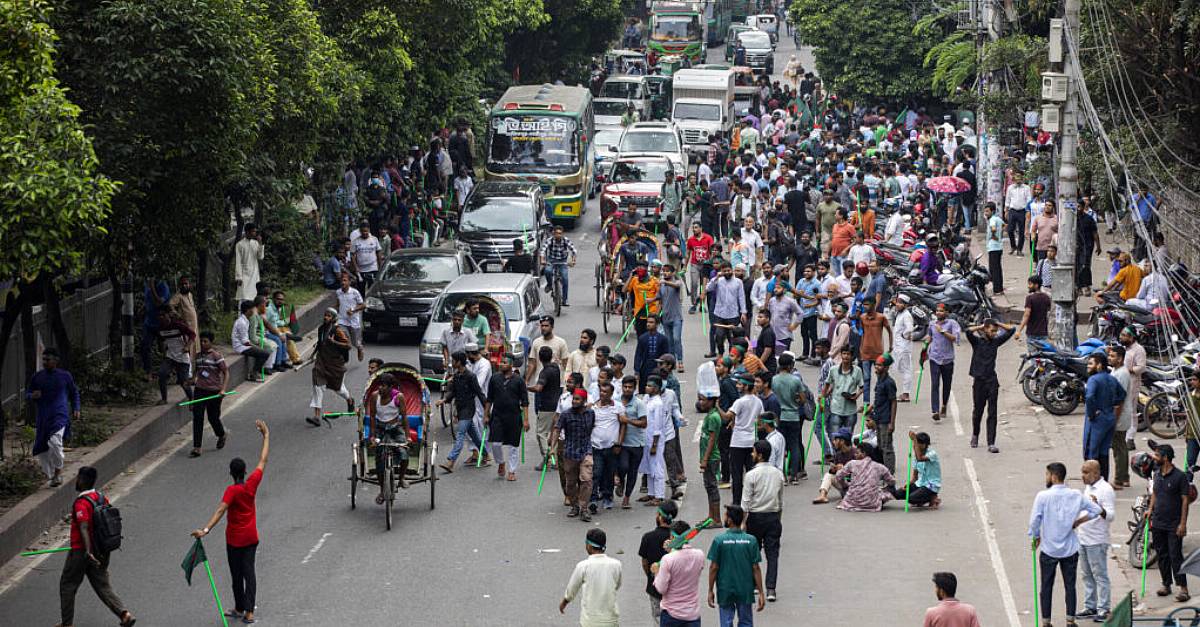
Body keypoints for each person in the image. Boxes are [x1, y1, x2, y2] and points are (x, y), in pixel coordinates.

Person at [192, 420, 270, 625]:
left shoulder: (231, 491)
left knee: (236, 575)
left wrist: (205, 529)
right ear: (244, 472)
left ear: (231, 473)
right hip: (251, 538)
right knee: (249, 574)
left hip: (234, 541)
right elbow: (262, 460)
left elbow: (220, 510)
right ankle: (248, 612)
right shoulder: (251, 484)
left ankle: (239, 607)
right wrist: (266, 435)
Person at [1028, 461, 1103, 625]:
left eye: (1047, 474)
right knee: (1070, 586)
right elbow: (1096, 510)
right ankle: (1070, 620)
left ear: (1054, 477)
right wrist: (1078, 521)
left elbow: (1034, 520)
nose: (1046, 477)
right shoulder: (1075, 495)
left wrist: (1035, 536)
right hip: (1070, 549)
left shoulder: (1043, 496)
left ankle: (1046, 621)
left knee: (1046, 587)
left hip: (1049, 549)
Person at [60, 466, 136, 627]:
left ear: (81, 480)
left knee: (68, 585)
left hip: (82, 551)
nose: (76, 480)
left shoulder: (81, 503)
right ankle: (124, 614)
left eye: (77, 477)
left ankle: (67, 624)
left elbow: (84, 527)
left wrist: (88, 552)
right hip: (102, 549)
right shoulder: (101, 498)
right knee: (102, 584)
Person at [26, 348, 80, 487]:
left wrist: (76, 408)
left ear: (55, 361)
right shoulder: (37, 377)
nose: (44, 362)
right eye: (43, 359)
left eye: (47, 359)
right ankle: (52, 476)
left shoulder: (65, 376)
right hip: (43, 417)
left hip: (59, 414)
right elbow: (28, 393)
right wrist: (32, 396)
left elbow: (74, 393)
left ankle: (58, 471)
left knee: (55, 442)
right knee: (42, 451)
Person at [707, 505, 766, 625]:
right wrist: (761, 592)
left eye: (725, 516)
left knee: (726, 622)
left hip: (725, 589)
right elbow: (756, 568)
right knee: (746, 622)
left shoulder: (719, 540)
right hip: (745, 589)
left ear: (730, 520)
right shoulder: (751, 540)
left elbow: (714, 567)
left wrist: (710, 590)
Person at [742, 440, 784, 602]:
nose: (752, 454)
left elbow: (745, 502)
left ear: (759, 455)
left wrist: (742, 523)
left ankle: (753, 585)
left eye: (753, 452)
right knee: (772, 554)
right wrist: (778, 518)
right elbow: (780, 501)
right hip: (773, 517)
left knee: (754, 553)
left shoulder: (751, 475)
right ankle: (771, 589)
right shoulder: (778, 473)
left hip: (755, 517)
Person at [1148, 443, 1191, 601]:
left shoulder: (1180, 477)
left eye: (1157, 455)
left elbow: (1185, 501)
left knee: (1175, 556)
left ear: (1166, 458)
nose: (1154, 458)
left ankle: (1183, 588)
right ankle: (1166, 584)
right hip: (1158, 522)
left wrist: (1183, 524)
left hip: (1174, 524)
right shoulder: (1157, 474)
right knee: (1162, 555)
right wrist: (1150, 510)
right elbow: (1155, 493)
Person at [965, 318, 1015, 453]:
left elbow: (1012, 330)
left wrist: (998, 323)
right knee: (978, 411)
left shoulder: (996, 342)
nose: (994, 333)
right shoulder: (977, 342)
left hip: (992, 381)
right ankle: (975, 434)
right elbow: (968, 332)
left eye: (995, 331)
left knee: (992, 412)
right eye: (992, 330)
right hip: (979, 381)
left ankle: (991, 443)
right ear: (985, 329)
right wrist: (981, 325)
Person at [1078, 460, 1116, 621]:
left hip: (1097, 540)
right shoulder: (1088, 488)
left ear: (1096, 473)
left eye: (1086, 472)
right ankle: (1090, 606)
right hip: (1083, 538)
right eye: (1082, 472)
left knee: (1100, 575)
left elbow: (1111, 515)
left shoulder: (1105, 490)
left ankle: (1104, 608)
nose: (1083, 476)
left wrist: (1098, 508)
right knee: (1086, 574)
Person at [560, 528, 622, 627]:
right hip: (611, 619)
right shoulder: (616, 564)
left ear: (589, 546)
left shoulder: (583, 566)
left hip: (590, 621)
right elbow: (617, 585)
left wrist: (565, 601)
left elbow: (572, 588)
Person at [437, 352, 486, 473]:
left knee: (460, 434)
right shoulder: (457, 376)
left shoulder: (471, 376)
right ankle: (485, 454)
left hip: (468, 410)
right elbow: (452, 392)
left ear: (459, 362)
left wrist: (488, 411)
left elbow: (479, 393)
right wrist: (444, 400)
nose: (452, 363)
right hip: (460, 409)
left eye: (453, 361)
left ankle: (451, 461)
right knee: (474, 436)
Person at [552, 388, 596, 521]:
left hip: (586, 451)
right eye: (574, 399)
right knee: (570, 483)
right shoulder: (566, 414)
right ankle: (574, 505)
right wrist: (552, 447)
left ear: (584, 401)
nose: (574, 401)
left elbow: (592, 427)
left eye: (578, 399)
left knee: (586, 480)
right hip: (570, 452)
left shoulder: (590, 413)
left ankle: (584, 508)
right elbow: (557, 429)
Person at [719, 375, 763, 507]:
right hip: (751, 442)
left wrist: (716, 407)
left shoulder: (740, 402)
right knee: (751, 473)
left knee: (737, 475)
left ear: (746, 386)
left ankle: (737, 502)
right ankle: (751, 501)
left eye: (739, 384)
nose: (737, 386)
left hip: (737, 442)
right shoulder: (758, 402)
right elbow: (760, 421)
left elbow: (727, 417)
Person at [654, 519, 706, 627]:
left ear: (672, 537)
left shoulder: (667, 559)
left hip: (671, 615)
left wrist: (656, 572)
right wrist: (672, 550)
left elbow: (661, 588)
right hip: (692, 615)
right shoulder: (700, 555)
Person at [308, 308, 355, 427]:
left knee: (339, 390)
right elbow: (320, 344)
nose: (326, 317)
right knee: (317, 387)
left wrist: (334, 342)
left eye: (329, 316)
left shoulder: (337, 330)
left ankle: (349, 400)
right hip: (321, 363)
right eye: (325, 315)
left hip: (335, 365)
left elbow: (348, 346)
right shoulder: (321, 329)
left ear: (333, 318)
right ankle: (317, 417)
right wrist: (312, 356)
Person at [484, 357, 529, 482]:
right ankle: (501, 462)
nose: (501, 364)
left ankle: (512, 471)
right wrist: (486, 415)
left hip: (514, 416)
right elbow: (489, 398)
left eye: (504, 362)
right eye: (501, 362)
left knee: (513, 446)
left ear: (511, 365)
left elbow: (525, 401)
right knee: (495, 443)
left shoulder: (519, 381)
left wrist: (526, 420)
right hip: (497, 415)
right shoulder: (494, 378)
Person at [367, 373, 410, 496]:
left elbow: (404, 417)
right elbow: (372, 417)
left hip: (395, 429)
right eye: (380, 385)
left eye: (384, 386)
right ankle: (382, 490)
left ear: (391, 387)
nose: (381, 388)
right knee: (379, 461)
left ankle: (401, 478)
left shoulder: (398, 397)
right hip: (380, 429)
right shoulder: (375, 397)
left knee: (404, 453)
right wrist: (373, 436)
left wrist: (407, 437)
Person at [1084, 353, 1125, 480]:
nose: (1088, 367)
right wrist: (1112, 404)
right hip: (1109, 418)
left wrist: (1092, 413)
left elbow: (1089, 397)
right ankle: (1104, 481)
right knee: (1104, 451)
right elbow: (1122, 394)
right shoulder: (1111, 378)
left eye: (1091, 364)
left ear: (1099, 365)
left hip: (1097, 420)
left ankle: (1093, 482)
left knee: (1091, 451)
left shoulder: (1093, 380)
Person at [189, 332, 228, 458]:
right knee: (198, 417)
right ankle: (197, 447)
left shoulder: (217, 356)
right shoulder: (198, 356)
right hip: (200, 390)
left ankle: (221, 434)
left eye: (205, 341)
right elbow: (197, 371)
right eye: (201, 341)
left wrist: (223, 390)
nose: (203, 343)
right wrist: (192, 379)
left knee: (213, 418)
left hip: (214, 392)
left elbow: (226, 373)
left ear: (211, 342)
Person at [589, 382, 625, 511]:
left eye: (605, 392)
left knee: (609, 474)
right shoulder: (593, 408)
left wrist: (619, 443)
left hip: (611, 447)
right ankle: (592, 498)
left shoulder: (618, 407)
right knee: (596, 473)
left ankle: (607, 497)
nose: (602, 394)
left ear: (611, 393)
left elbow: (623, 426)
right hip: (596, 446)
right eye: (601, 391)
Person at [886, 432, 942, 508]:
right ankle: (920, 497)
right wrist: (909, 484)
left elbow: (920, 458)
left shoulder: (932, 454)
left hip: (931, 485)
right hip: (920, 483)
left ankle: (932, 497)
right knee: (898, 494)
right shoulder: (916, 457)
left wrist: (914, 439)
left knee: (911, 499)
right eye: (915, 444)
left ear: (925, 445)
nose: (916, 446)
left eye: (918, 444)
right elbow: (915, 477)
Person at [835, 442, 895, 512]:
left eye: (857, 453)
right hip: (872, 503)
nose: (855, 455)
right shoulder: (879, 466)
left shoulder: (851, 463)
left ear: (863, 454)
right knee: (891, 488)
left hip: (853, 500)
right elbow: (892, 481)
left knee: (846, 489)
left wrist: (845, 485)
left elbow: (838, 476)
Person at [640, 376, 671, 507]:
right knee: (648, 466)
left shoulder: (658, 403)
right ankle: (651, 493)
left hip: (655, 440)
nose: (646, 387)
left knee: (657, 467)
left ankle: (659, 495)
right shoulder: (647, 399)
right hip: (646, 439)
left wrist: (654, 444)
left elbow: (658, 426)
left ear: (657, 388)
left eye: (649, 386)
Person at [927, 304, 960, 422]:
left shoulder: (952, 324)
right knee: (935, 384)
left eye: (941, 311)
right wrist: (925, 347)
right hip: (934, 358)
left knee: (947, 384)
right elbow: (930, 337)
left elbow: (955, 338)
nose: (938, 313)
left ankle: (944, 405)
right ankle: (935, 410)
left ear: (946, 312)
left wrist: (943, 332)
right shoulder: (932, 324)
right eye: (937, 311)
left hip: (947, 359)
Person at [154, 310, 195, 404]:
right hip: (170, 356)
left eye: (163, 315)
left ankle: (191, 398)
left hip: (182, 357)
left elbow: (192, 334)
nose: (161, 317)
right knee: (162, 374)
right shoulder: (160, 328)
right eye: (159, 316)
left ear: (168, 315)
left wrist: (187, 346)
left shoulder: (178, 325)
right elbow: (161, 340)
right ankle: (164, 399)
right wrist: (164, 352)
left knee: (182, 381)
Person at [823, 347, 863, 442]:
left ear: (852, 356)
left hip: (851, 411)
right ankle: (836, 456)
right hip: (836, 409)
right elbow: (827, 383)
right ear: (841, 355)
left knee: (847, 439)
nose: (846, 356)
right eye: (844, 353)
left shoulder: (857, 371)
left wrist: (856, 395)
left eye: (848, 354)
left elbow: (862, 387)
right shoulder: (833, 370)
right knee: (835, 439)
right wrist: (823, 397)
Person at [231, 300, 273, 382]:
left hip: (244, 345)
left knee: (262, 352)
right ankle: (254, 373)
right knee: (264, 353)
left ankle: (255, 371)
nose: (254, 311)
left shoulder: (246, 320)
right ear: (248, 310)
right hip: (241, 347)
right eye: (253, 309)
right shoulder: (241, 322)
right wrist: (256, 347)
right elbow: (245, 342)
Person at [869, 355, 898, 472]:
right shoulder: (879, 379)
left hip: (886, 420)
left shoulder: (889, 383)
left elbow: (893, 402)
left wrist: (892, 423)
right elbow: (879, 399)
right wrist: (871, 408)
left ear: (886, 368)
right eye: (876, 364)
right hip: (878, 418)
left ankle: (889, 474)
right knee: (880, 446)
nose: (876, 367)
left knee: (887, 448)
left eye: (880, 365)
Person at [540, 225, 578, 306]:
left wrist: (573, 261)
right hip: (552, 260)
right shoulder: (550, 240)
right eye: (556, 233)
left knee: (565, 278)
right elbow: (543, 250)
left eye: (560, 233)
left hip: (562, 261)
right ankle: (549, 285)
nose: (558, 235)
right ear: (553, 233)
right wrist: (542, 260)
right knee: (547, 271)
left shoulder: (565, 240)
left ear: (562, 234)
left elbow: (573, 250)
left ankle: (565, 299)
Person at [527, 315, 569, 386]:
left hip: (556, 384)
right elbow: (532, 363)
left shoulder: (561, 342)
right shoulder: (536, 342)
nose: (543, 328)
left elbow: (566, 364)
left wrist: (567, 381)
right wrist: (527, 380)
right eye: (542, 326)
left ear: (552, 327)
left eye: (546, 326)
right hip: (539, 383)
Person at [1013, 275, 1051, 349]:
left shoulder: (1030, 298)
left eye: (1030, 284)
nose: (1028, 286)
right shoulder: (1046, 297)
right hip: (1043, 332)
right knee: (1043, 356)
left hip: (1032, 332)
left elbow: (1026, 315)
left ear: (1036, 285)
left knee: (1033, 356)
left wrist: (1019, 330)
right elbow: (1049, 311)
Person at [634, 315, 671, 392]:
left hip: (658, 369)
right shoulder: (642, 338)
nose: (648, 324)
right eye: (647, 322)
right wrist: (637, 371)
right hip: (645, 369)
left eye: (651, 322)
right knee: (644, 390)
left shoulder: (663, 339)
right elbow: (638, 355)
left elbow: (666, 355)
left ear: (657, 324)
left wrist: (666, 369)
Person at [335, 273, 366, 362]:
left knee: (355, 343)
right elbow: (338, 305)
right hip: (342, 320)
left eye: (344, 280)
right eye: (341, 280)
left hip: (353, 321)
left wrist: (352, 310)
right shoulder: (338, 292)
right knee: (343, 339)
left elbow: (363, 305)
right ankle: (343, 357)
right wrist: (333, 312)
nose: (342, 282)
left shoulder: (355, 292)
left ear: (349, 282)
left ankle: (360, 348)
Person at [892, 295, 916, 402]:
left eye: (901, 303)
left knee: (906, 369)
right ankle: (903, 392)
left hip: (903, 347)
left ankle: (906, 394)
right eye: (897, 302)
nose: (898, 304)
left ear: (906, 305)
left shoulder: (906, 315)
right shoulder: (899, 314)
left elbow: (909, 328)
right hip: (898, 347)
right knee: (899, 368)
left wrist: (904, 335)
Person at [233, 223, 264, 302]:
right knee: (243, 296)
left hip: (254, 274)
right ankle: (242, 313)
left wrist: (260, 244)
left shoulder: (256, 243)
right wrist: (239, 277)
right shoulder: (240, 244)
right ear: (247, 232)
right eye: (253, 231)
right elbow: (238, 261)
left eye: (255, 231)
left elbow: (260, 257)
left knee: (254, 297)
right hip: (244, 275)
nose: (254, 233)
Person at [984, 202, 1005, 294]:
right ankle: (999, 288)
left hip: (993, 247)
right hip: (999, 247)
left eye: (987, 211)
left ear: (992, 211)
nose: (986, 213)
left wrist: (994, 235)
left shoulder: (992, 220)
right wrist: (1000, 235)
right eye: (985, 211)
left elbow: (993, 228)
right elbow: (1004, 225)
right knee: (997, 268)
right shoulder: (998, 219)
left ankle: (997, 289)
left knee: (994, 269)